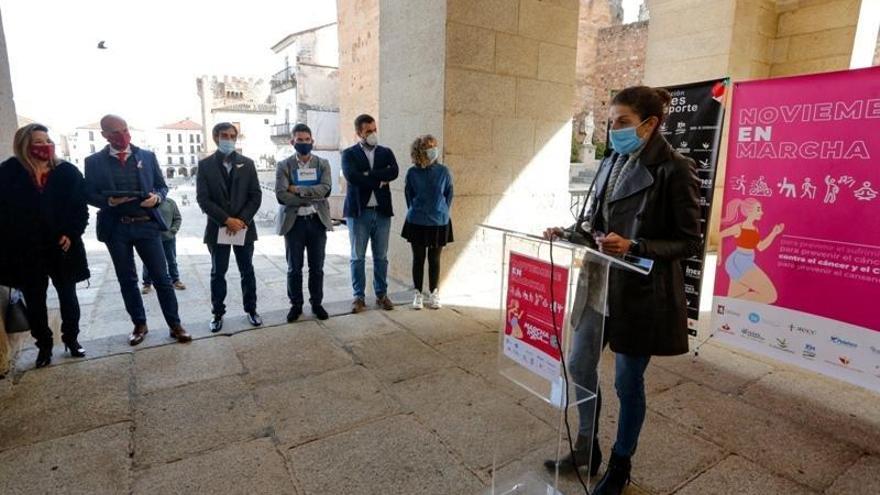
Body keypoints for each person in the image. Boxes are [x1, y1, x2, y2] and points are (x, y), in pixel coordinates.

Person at [542, 86, 701, 494]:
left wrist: (636, 246)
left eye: (623, 123)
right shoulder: (611, 160)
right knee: (579, 366)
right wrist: (570, 233)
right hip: (598, 282)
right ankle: (585, 447)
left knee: (627, 383)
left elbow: (688, 241)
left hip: (639, 293)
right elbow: (597, 222)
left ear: (650, 124)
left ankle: (619, 463)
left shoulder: (675, 168)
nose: (614, 131)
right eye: (611, 122)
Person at [84, 114, 191, 346]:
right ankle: (139, 324)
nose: (122, 135)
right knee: (127, 279)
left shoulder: (147, 156)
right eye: (115, 132)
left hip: (146, 224)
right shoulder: (93, 162)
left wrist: (157, 197)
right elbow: (89, 194)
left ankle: (175, 325)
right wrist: (109, 202)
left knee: (162, 278)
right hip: (116, 228)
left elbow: (162, 186)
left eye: (125, 129)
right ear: (105, 135)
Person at [0, 124, 90, 367]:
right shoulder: (8, 173)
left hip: (62, 248)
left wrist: (71, 233)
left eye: (47, 140)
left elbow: (80, 209)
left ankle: (72, 339)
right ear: (24, 145)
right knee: (36, 301)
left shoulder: (67, 172)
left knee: (68, 296)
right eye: (38, 141)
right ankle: (44, 346)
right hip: (26, 251)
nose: (45, 145)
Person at [196, 122, 263, 332]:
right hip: (218, 228)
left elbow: (256, 195)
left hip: (244, 228)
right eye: (224, 135)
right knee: (218, 272)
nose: (229, 139)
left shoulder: (247, 163)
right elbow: (203, 199)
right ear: (216, 138)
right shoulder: (205, 165)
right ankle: (217, 313)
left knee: (247, 271)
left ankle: (251, 310)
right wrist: (226, 220)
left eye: (232, 136)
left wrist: (241, 220)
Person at [341, 114, 399, 313]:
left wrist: (369, 174)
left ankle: (381, 294)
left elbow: (394, 172)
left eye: (374, 129)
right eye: (368, 131)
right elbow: (352, 177)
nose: (373, 134)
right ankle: (358, 296)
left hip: (382, 211)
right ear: (359, 133)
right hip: (359, 213)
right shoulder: (349, 154)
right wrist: (378, 179)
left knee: (381, 256)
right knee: (357, 257)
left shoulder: (386, 152)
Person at [275, 123, 333, 322]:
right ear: (292, 142)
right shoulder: (284, 165)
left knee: (317, 267)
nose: (304, 143)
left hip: (317, 221)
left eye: (307, 140)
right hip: (294, 223)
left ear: (312, 141)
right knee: (294, 268)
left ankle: (317, 304)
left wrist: (297, 189)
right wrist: (310, 194)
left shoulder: (323, 163)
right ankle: (296, 305)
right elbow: (282, 195)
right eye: (299, 140)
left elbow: (325, 189)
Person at [402, 134, 453, 310]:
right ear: (420, 151)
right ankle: (417, 293)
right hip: (417, 221)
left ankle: (434, 292)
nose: (433, 149)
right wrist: (417, 210)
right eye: (429, 146)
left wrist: (441, 210)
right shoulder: (412, 173)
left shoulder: (443, 171)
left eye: (434, 145)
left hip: (438, 221)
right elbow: (409, 195)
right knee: (418, 258)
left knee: (435, 259)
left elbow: (448, 195)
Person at [718, 198, 783, 303]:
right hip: (739, 263)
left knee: (735, 297)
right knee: (771, 295)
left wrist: (773, 233)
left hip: (745, 262)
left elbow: (761, 247)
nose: (761, 212)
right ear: (749, 211)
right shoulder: (739, 228)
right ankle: (728, 304)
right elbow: (720, 235)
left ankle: (728, 305)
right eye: (758, 209)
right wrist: (719, 255)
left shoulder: (755, 229)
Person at [141, 196, 186, 293]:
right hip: (151, 238)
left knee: (171, 260)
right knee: (148, 261)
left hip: (168, 238)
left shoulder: (170, 202)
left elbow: (177, 218)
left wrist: (173, 230)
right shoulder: (146, 203)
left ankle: (175, 280)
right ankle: (147, 283)